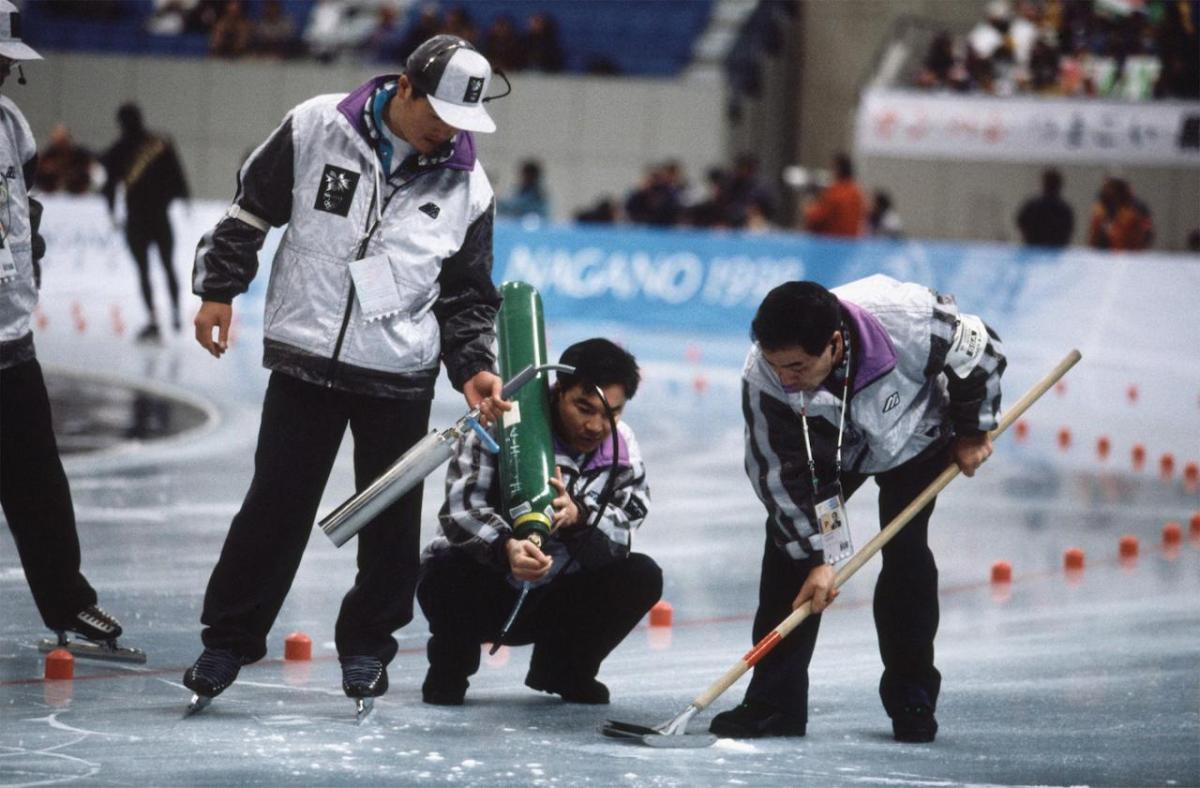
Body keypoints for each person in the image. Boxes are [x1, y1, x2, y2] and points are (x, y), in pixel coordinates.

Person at [183, 34, 509, 712]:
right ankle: (229, 640)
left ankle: (367, 648)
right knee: (275, 505)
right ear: (407, 86)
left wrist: (473, 367)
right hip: (306, 359)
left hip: (400, 373)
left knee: (388, 521)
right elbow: (250, 211)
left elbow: (469, 296)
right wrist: (220, 288)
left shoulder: (469, 186)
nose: (447, 132)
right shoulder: (315, 125)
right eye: (439, 114)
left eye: (461, 122)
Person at [709, 276, 1005, 742]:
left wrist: (973, 429)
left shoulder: (911, 322)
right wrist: (817, 557)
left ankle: (913, 695)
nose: (785, 378)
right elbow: (780, 477)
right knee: (791, 560)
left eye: (797, 367)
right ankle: (775, 703)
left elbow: (981, 352)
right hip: (826, 458)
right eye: (776, 365)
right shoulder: (764, 376)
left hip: (915, 438)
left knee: (907, 553)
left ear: (834, 342)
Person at [418, 339, 660, 706]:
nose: (597, 426)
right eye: (584, 408)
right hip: (487, 589)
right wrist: (506, 547)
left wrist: (581, 517)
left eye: (613, 412)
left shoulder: (622, 447)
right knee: (445, 568)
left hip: (555, 596)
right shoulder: (502, 420)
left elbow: (628, 523)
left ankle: (563, 670)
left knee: (641, 574)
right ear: (558, 390)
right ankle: (449, 670)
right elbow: (459, 512)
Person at [0, 2, 128, 654]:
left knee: (39, 485)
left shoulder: (12, 125)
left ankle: (69, 605)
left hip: (10, 340)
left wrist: (31, 248)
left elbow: (22, 204)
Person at [100, 103, 190, 342]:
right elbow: (177, 175)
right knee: (167, 266)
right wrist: (180, 197)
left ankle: (153, 319)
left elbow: (109, 186)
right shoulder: (160, 143)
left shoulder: (118, 150)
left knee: (145, 271)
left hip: (137, 218)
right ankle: (175, 313)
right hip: (159, 215)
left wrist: (111, 212)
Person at [803, 153, 864, 237]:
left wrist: (808, 205)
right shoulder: (857, 192)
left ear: (838, 169)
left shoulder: (835, 192)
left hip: (830, 242)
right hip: (850, 242)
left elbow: (816, 217)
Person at [1087, 177, 1153, 251]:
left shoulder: (1131, 215)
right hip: (1103, 255)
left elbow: (1140, 240)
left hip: (1127, 256)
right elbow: (1093, 239)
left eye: (1111, 190)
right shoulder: (1100, 212)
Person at [1015, 168, 1073, 248]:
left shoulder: (1032, 206)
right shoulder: (1065, 209)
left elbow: (1021, 222)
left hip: (1034, 250)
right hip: (1055, 252)